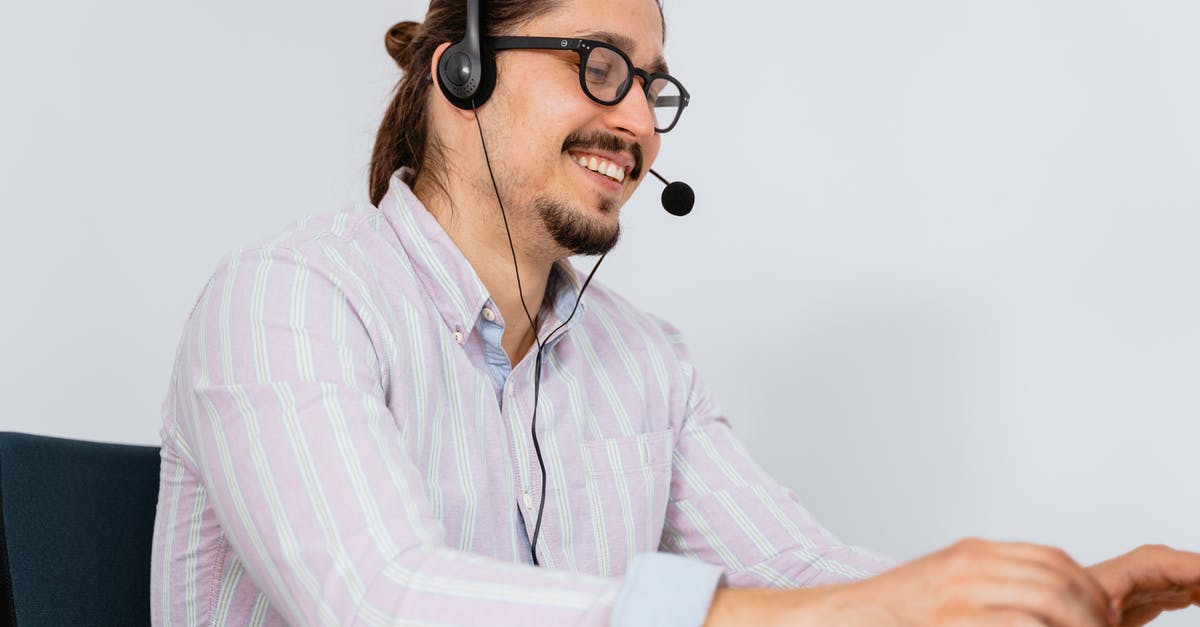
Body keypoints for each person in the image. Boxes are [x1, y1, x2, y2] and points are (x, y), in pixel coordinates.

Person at [150, 0, 1200, 625]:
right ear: (458, 72)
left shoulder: (644, 360)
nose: (635, 121)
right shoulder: (289, 301)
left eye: (651, 87)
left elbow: (792, 574)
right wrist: (860, 614)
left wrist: (1021, 603)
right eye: (598, 65)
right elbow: (385, 600)